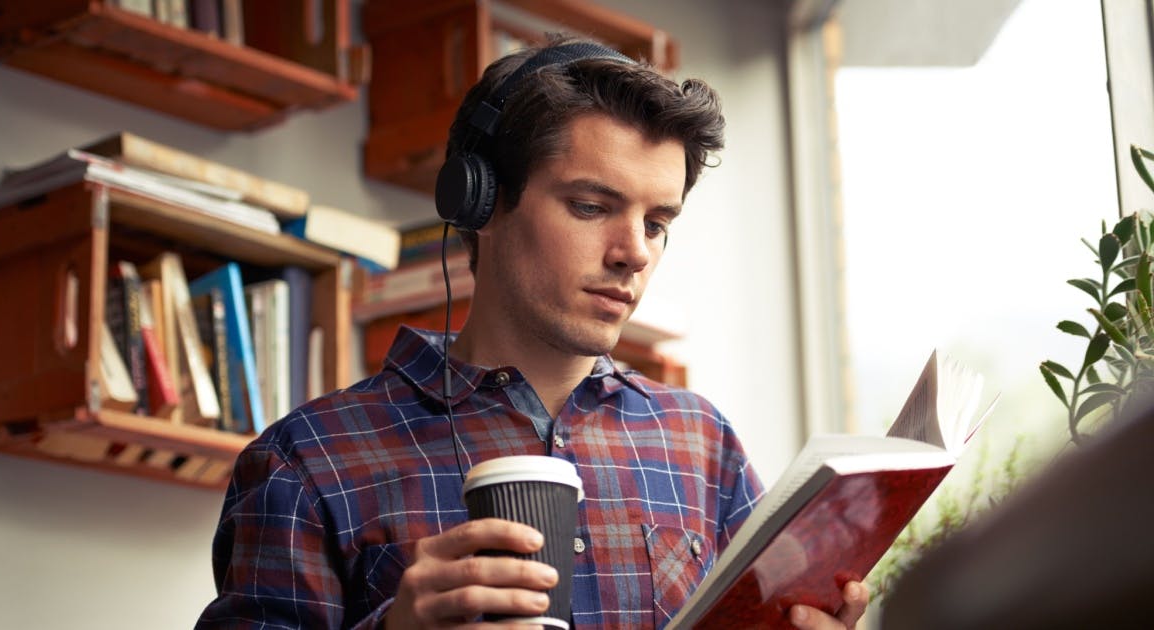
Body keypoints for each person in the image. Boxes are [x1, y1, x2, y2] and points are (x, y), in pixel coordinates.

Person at [197, 37, 868, 630]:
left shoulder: (703, 443)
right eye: (590, 206)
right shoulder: (307, 461)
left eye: (657, 223)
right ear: (480, 203)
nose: (633, 252)